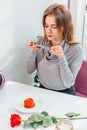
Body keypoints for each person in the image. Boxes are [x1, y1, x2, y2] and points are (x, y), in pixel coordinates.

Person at [27, 3, 85, 95]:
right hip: (42, 90)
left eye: (54, 27)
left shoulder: (77, 50)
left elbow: (68, 82)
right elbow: (29, 70)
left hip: (65, 94)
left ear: (64, 27)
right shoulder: (42, 41)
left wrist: (62, 57)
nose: (48, 31)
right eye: (46, 26)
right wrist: (33, 52)